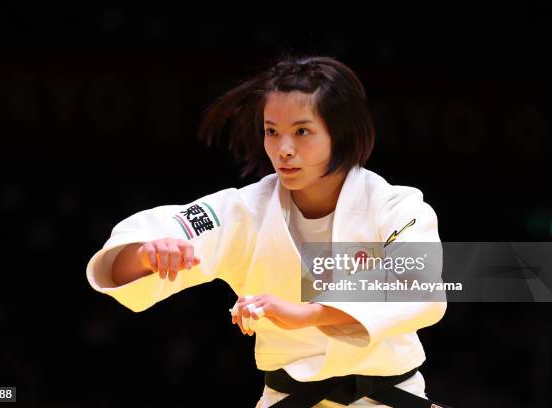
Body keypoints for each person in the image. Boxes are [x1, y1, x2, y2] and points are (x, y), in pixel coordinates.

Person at [86, 55, 449, 407]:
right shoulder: (247, 211)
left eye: (302, 131)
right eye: (272, 132)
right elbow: (125, 261)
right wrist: (147, 255)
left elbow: (421, 284)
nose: (283, 149)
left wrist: (306, 314)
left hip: (393, 398)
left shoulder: (395, 205)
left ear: (340, 133)